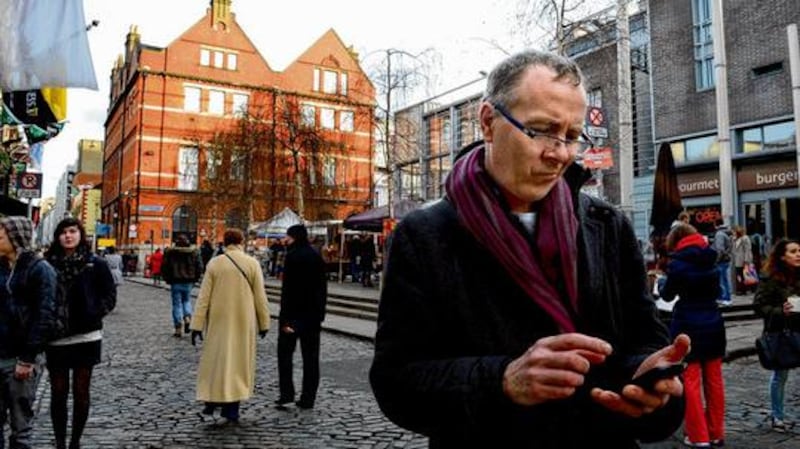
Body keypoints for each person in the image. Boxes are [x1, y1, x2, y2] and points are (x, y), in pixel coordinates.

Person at [369, 50, 689, 448]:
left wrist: (651, 383)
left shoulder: (607, 227)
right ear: (488, 122)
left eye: (572, 136)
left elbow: (642, 341)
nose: (559, 153)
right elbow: (396, 381)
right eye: (540, 130)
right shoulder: (425, 235)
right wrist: (503, 380)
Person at [44, 217, 117, 449]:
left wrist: (94, 313)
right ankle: (59, 442)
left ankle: (75, 441)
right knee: (58, 392)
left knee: (81, 390)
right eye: (64, 232)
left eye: (73, 231)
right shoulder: (47, 263)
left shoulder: (95, 263)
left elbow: (110, 295)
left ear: (80, 234)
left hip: (86, 336)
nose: (68, 236)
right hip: (56, 337)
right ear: (58, 236)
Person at [189, 228, 270, 424]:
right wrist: (264, 322)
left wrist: (197, 324)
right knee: (238, 362)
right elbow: (260, 296)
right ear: (241, 241)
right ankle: (232, 408)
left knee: (216, 360)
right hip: (244, 320)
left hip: (218, 319)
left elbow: (204, 297)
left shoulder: (215, 264)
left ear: (224, 242)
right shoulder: (252, 263)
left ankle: (211, 401)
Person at [658, 223, 726, 447]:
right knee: (715, 381)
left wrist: (660, 280)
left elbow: (667, 296)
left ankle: (698, 436)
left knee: (691, 381)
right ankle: (716, 432)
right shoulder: (712, 261)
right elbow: (717, 292)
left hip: (688, 325)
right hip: (713, 324)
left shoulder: (678, 265)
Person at [0, 216, 57, 449]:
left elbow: (44, 317)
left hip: (19, 359)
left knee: (20, 426)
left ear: (15, 238)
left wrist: (27, 358)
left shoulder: (39, 269)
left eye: (1, 235)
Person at [275, 224, 327, 410]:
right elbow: (322, 289)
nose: (285, 240)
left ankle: (287, 393)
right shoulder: (316, 256)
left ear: (294, 237)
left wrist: (286, 319)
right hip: (312, 317)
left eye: (287, 237)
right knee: (311, 359)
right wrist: (320, 314)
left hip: (293, 316)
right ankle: (308, 398)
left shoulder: (293, 257)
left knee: (285, 355)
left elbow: (289, 291)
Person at [753, 238, 800, 432]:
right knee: (780, 375)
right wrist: (782, 311)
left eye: (799, 250)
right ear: (782, 256)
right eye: (793, 251)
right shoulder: (771, 279)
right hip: (782, 332)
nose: (798, 254)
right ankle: (777, 416)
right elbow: (758, 306)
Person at [161, 234, 203, 337]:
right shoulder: (194, 252)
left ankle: (178, 326)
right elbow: (199, 266)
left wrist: (167, 279)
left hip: (175, 281)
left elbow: (165, 266)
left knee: (176, 304)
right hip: (188, 281)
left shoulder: (170, 252)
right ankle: (187, 317)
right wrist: (195, 279)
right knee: (186, 300)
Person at [712, 221, 733, 306]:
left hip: (721, 261)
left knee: (722, 280)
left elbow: (720, 250)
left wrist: (716, 260)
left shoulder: (719, 234)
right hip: (725, 260)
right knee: (724, 279)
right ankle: (725, 297)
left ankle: (725, 298)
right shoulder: (726, 233)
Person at [732, 225, 753, 295]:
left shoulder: (745, 238)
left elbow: (748, 250)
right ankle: (740, 289)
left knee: (745, 275)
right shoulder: (735, 239)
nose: (733, 233)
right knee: (739, 275)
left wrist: (746, 260)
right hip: (737, 260)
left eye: (734, 231)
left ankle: (745, 289)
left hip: (743, 259)